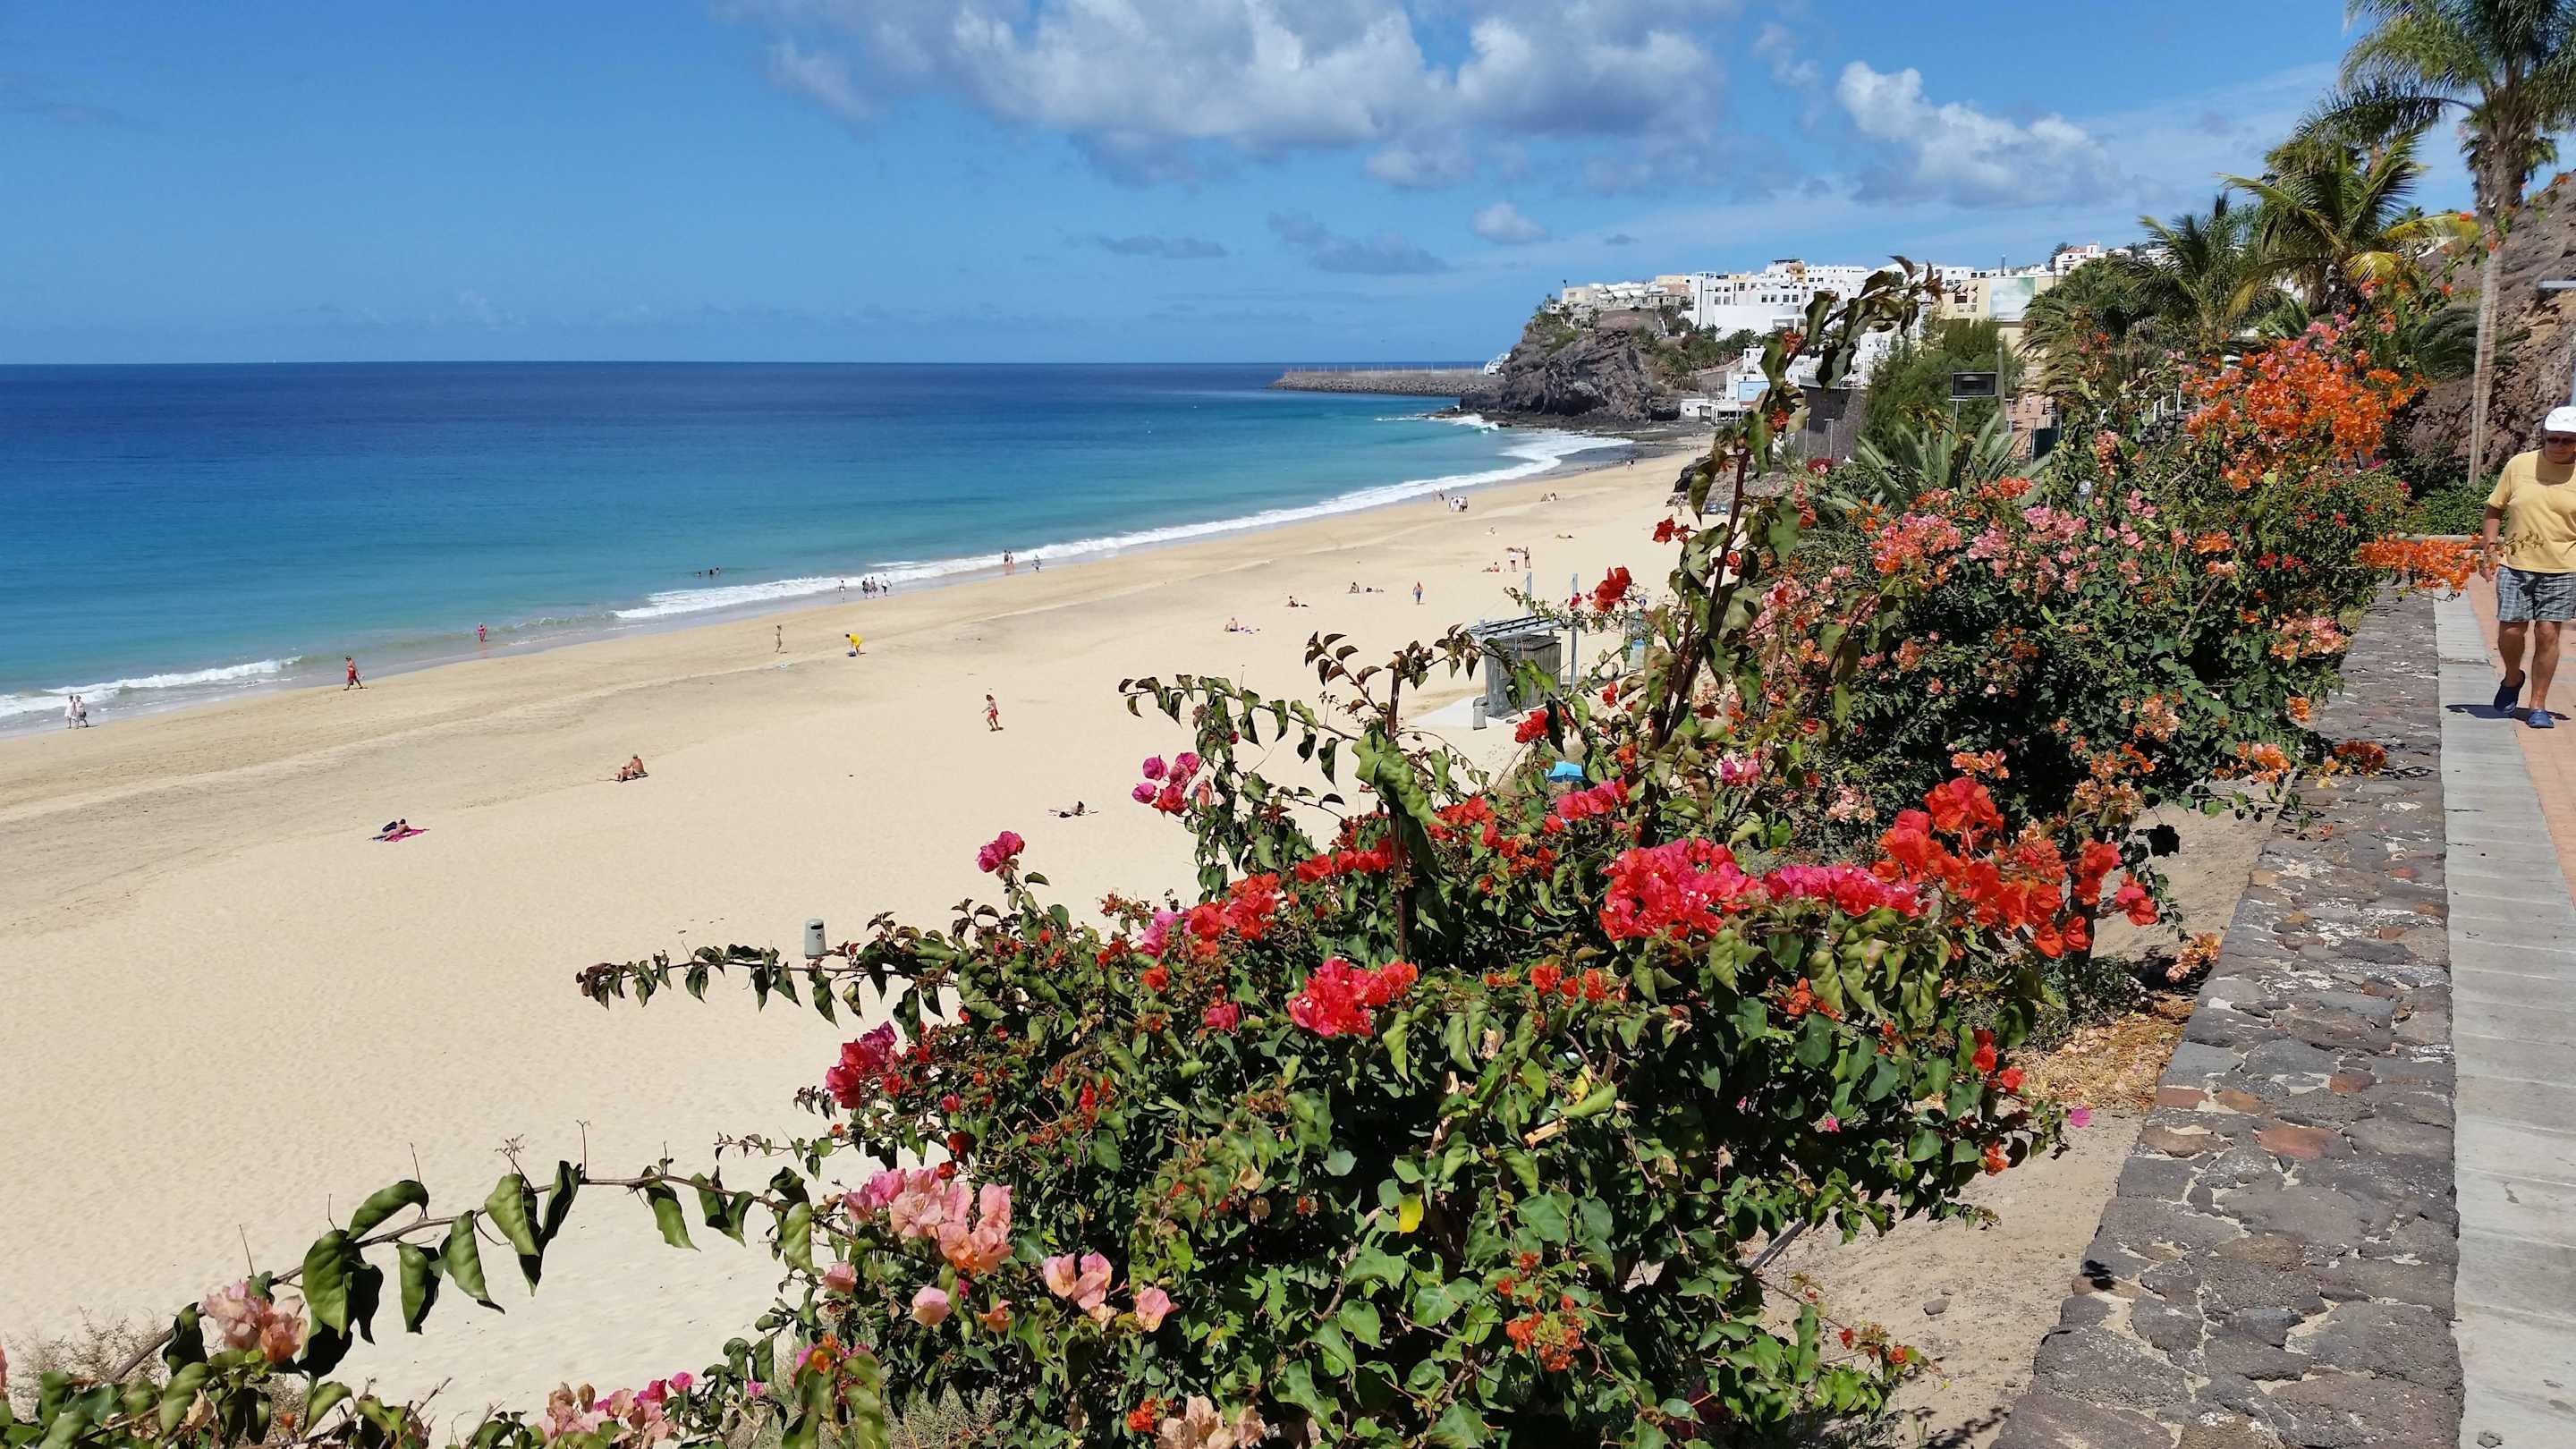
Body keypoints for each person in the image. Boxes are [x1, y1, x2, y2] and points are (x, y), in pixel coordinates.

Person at [2481, 406, 2576, 729]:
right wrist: (2489, 551)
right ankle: (2512, 678)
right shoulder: (2520, 465)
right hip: (2515, 563)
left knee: (2548, 633)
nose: (2559, 446)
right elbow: (2494, 509)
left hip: (2563, 567)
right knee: (2511, 631)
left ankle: (2538, 704)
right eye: (2554, 439)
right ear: (2544, 436)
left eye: (2567, 440)